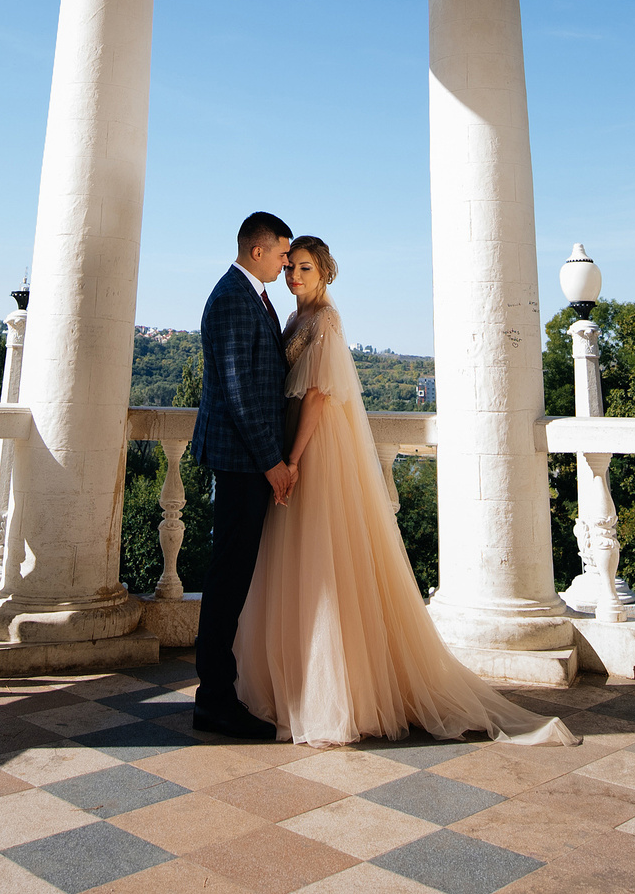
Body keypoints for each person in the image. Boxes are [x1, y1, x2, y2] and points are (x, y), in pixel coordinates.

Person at [236, 235, 576, 747]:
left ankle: (337, 692)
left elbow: (319, 398)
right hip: (290, 441)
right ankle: (301, 683)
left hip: (315, 446)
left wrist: (295, 459)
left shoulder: (324, 320)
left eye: (304, 268)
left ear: (324, 271)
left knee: (324, 559)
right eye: (290, 268)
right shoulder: (295, 318)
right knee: (300, 563)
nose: (294, 277)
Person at [186, 210, 298, 738]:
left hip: (245, 459)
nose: (285, 263)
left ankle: (220, 692)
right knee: (228, 579)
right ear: (259, 250)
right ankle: (214, 699)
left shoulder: (251, 295)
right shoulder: (234, 297)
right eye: (281, 254)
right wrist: (272, 462)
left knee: (234, 576)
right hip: (240, 461)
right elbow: (239, 390)